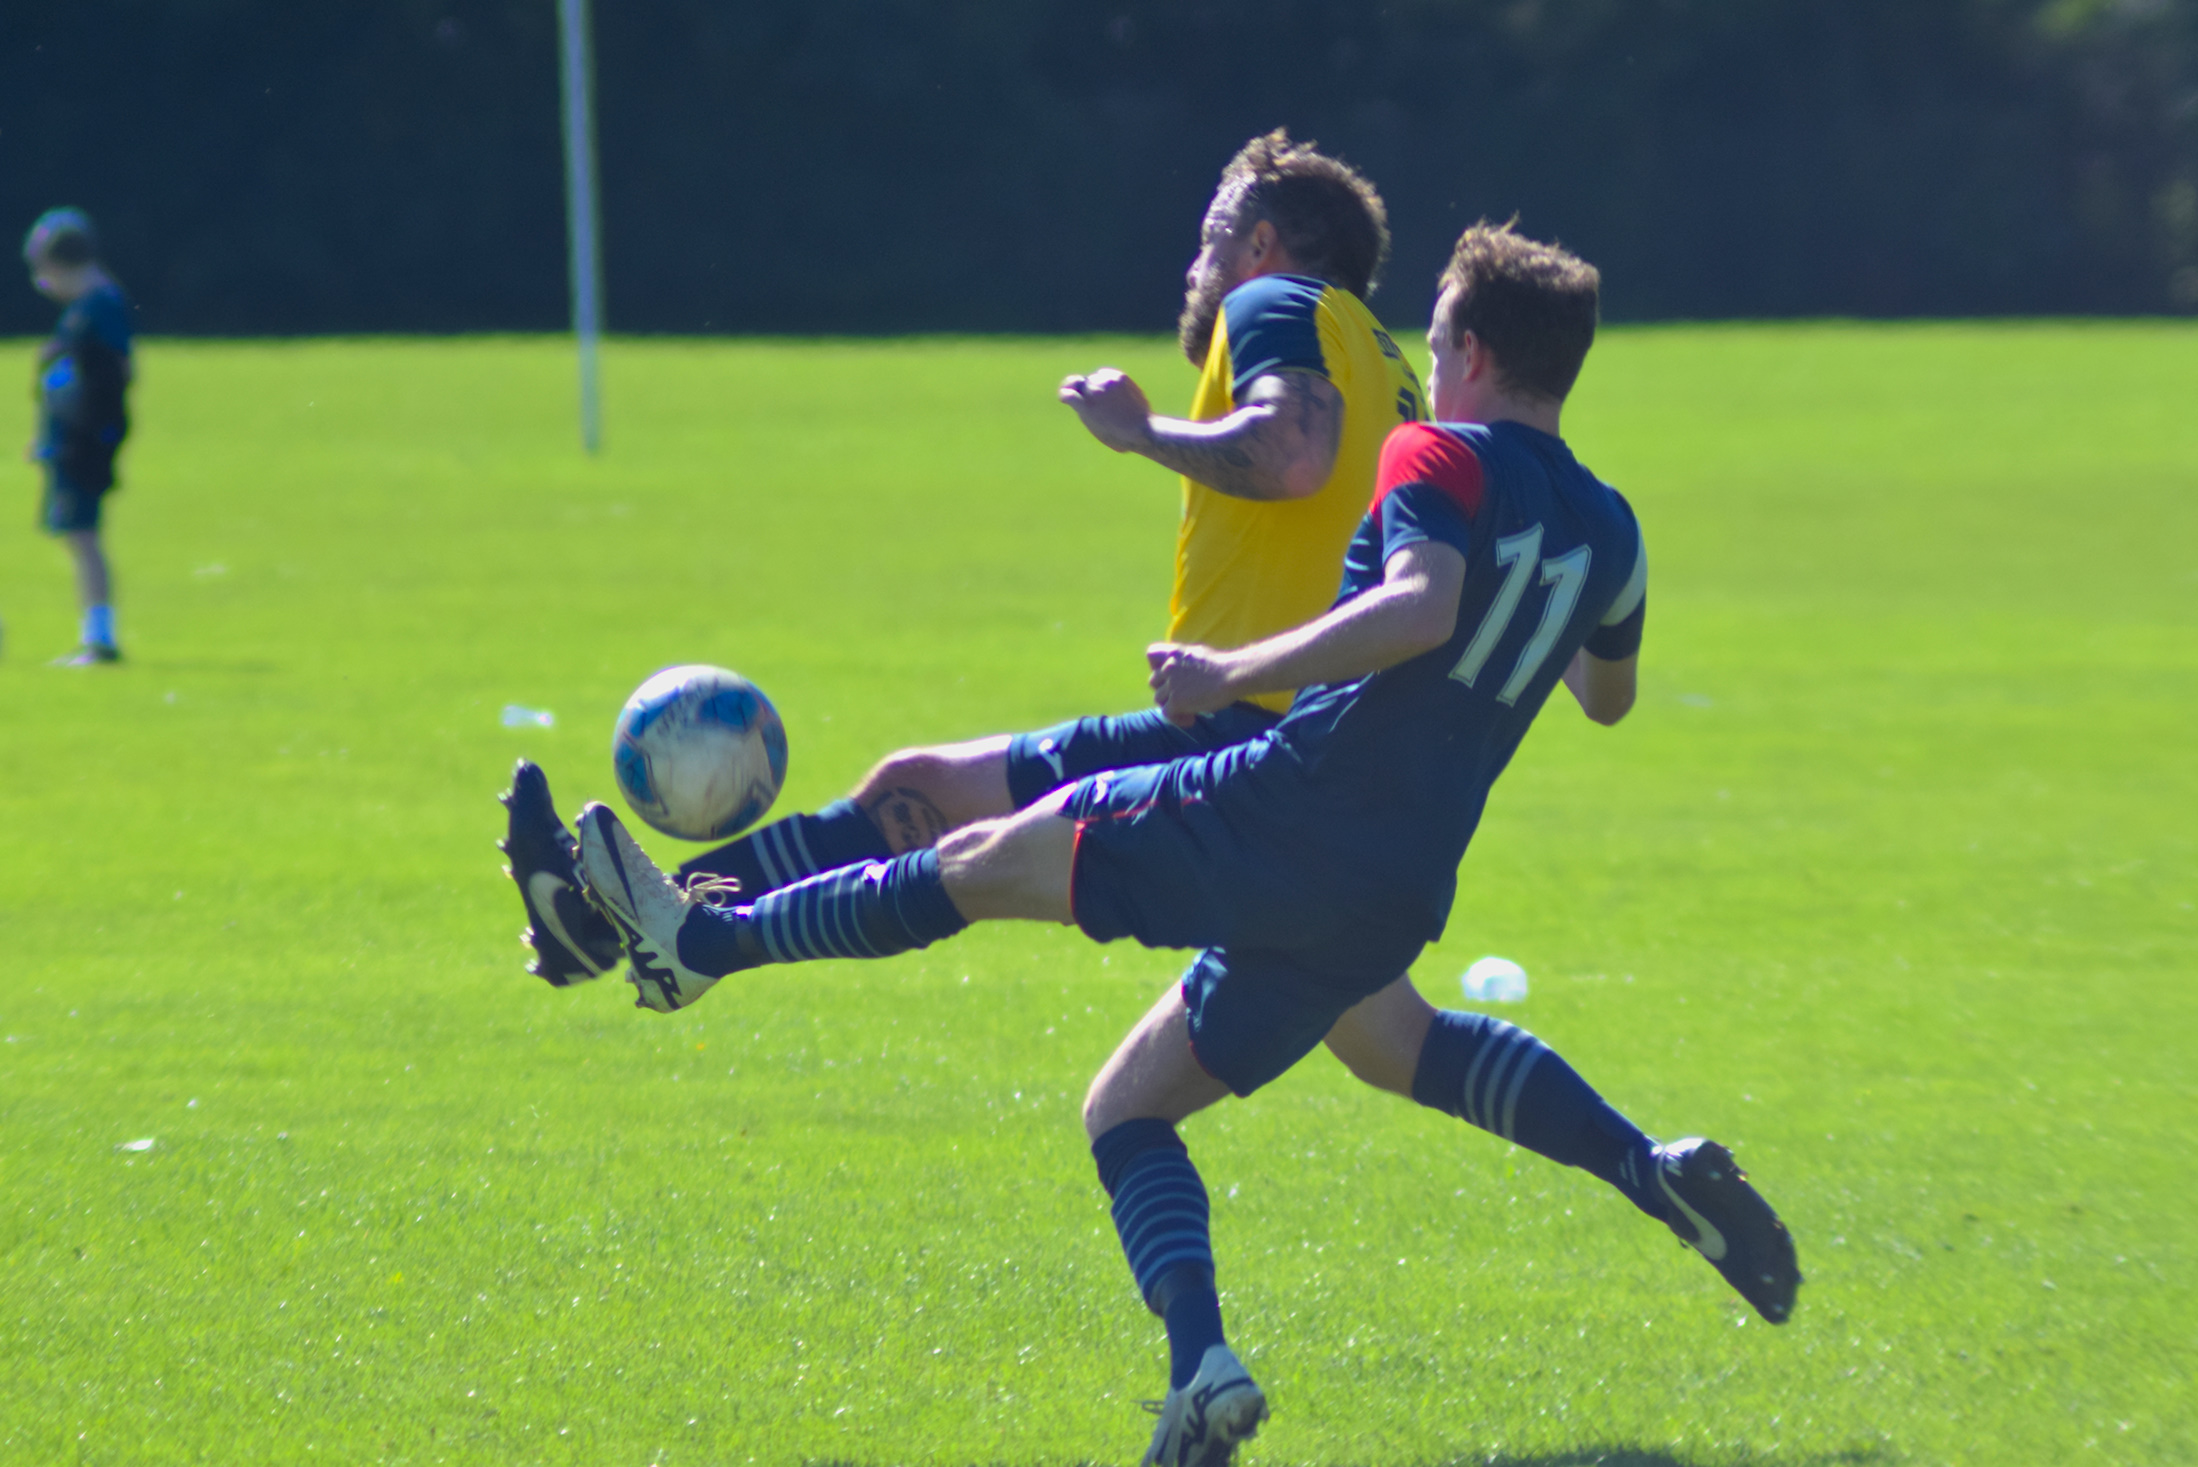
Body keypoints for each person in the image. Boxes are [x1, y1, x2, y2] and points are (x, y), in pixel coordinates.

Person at [560, 223, 1801, 1466]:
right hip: (1396, 884)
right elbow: (1608, 694)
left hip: (1288, 807)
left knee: (989, 858)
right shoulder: (1613, 527)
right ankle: (1231, 1358)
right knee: (1160, 1100)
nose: (1432, 357)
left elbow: (1418, 608)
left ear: (1469, 348)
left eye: (1435, 336)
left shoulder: (1435, 451)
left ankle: (706, 938)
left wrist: (1230, 669)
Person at [505, 128, 1452, 1088]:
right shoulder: (1390, 368)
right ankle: (608, 922)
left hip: (1254, 740)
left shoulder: (1275, 300)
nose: (1195, 263)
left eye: (1212, 238)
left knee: (972, 874)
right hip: (1318, 749)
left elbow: (1292, 454)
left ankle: (678, 939)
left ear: (1258, 244)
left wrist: (1140, 432)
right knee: (920, 793)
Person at [22, 208, 134, 666]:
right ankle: (96, 635)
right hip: (73, 442)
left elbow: (104, 383)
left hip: (83, 445)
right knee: (77, 534)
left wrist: (77, 438)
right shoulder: (87, 311)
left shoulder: (99, 310)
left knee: (83, 535)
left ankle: (100, 639)